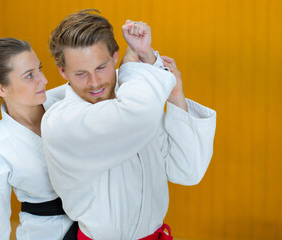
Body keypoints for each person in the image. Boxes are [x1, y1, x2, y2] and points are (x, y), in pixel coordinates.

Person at [42, 9, 217, 240]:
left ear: (114, 56)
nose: (94, 82)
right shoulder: (61, 121)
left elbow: (187, 171)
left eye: (101, 67)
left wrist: (175, 95)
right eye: (81, 73)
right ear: (63, 71)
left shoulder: (137, 105)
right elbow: (134, 114)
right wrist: (135, 65)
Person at [0, 37, 76, 240]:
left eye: (39, 68)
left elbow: (111, 80)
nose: (44, 80)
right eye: (30, 75)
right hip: (45, 233)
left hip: (97, 226)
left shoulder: (67, 100)